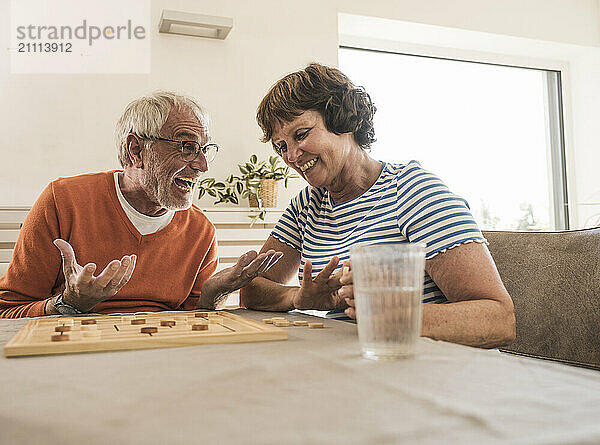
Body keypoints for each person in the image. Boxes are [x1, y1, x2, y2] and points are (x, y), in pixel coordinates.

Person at [240, 63, 515, 348]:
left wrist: (390, 312)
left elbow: (498, 319)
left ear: (342, 121)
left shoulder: (412, 190)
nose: (292, 156)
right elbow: (252, 290)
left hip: (421, 371)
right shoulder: (306, 206)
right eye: (281, 146)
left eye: (301, 135)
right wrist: (298, 297)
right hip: (347, 364)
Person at [0, 91, 281, 318]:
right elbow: (8, 310)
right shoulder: (62, 201)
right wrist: (68, 303)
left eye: (205, 149)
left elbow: (195, 318)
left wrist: (216, 292)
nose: (202, 165)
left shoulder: (201, 230)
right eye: (186, 147)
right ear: (136, 150)